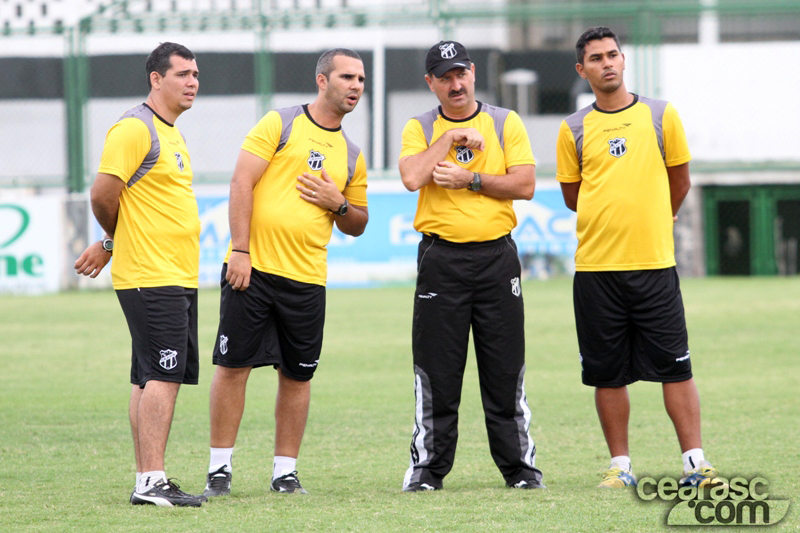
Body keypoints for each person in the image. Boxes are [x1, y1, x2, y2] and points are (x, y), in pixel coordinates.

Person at [556, 27, 723, 489]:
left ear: (623, 60)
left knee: (676, 366)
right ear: (582, 69)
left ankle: (695, 462)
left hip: (654, 266)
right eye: (596, 58)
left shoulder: (660, 115)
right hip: (596, 271)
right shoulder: (572, 128)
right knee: (607, 373)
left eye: (613, 55)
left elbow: (681, 180)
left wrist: (654, 215)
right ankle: (620, 466)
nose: (607, 63)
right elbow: (574, 196)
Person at [201, 48, 369, 498]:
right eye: (347, 76)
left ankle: (285, 472)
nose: (356, 86)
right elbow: (241, 182)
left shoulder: (352, 153)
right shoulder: (281, 124)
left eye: (361, 79)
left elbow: (358, 223)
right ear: (322, 80)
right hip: (252, 271)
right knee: (233, 367)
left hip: (308, 280)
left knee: (298, 375)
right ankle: (219, 469)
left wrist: (339, 203)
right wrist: (240, 250)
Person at [398, 41, 544, 492]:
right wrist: (450, 138)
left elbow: (525, 184)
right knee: (437, 369)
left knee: (504, 368)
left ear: (474, 73)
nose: (455, 83)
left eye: (461, 73)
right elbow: (411, 177)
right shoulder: (420, 126)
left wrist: (471, 180)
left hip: (497, 258)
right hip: (441, 259)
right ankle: (427, 471)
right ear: (431, 83)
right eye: (444, 76)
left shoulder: (504, 121)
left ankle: (520, 470)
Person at [73, 42, 205, 507]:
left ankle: (147, 476)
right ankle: (151, 481)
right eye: (183, 74)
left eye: (195, 74)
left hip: (174, 274)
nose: (193, 81)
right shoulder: (135, 128)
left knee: (148, 376)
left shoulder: (173, 134)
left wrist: (110, 244)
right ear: (156, 78)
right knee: (164, 376)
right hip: (152, 276)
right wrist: (114, 239)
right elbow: (103, 194)